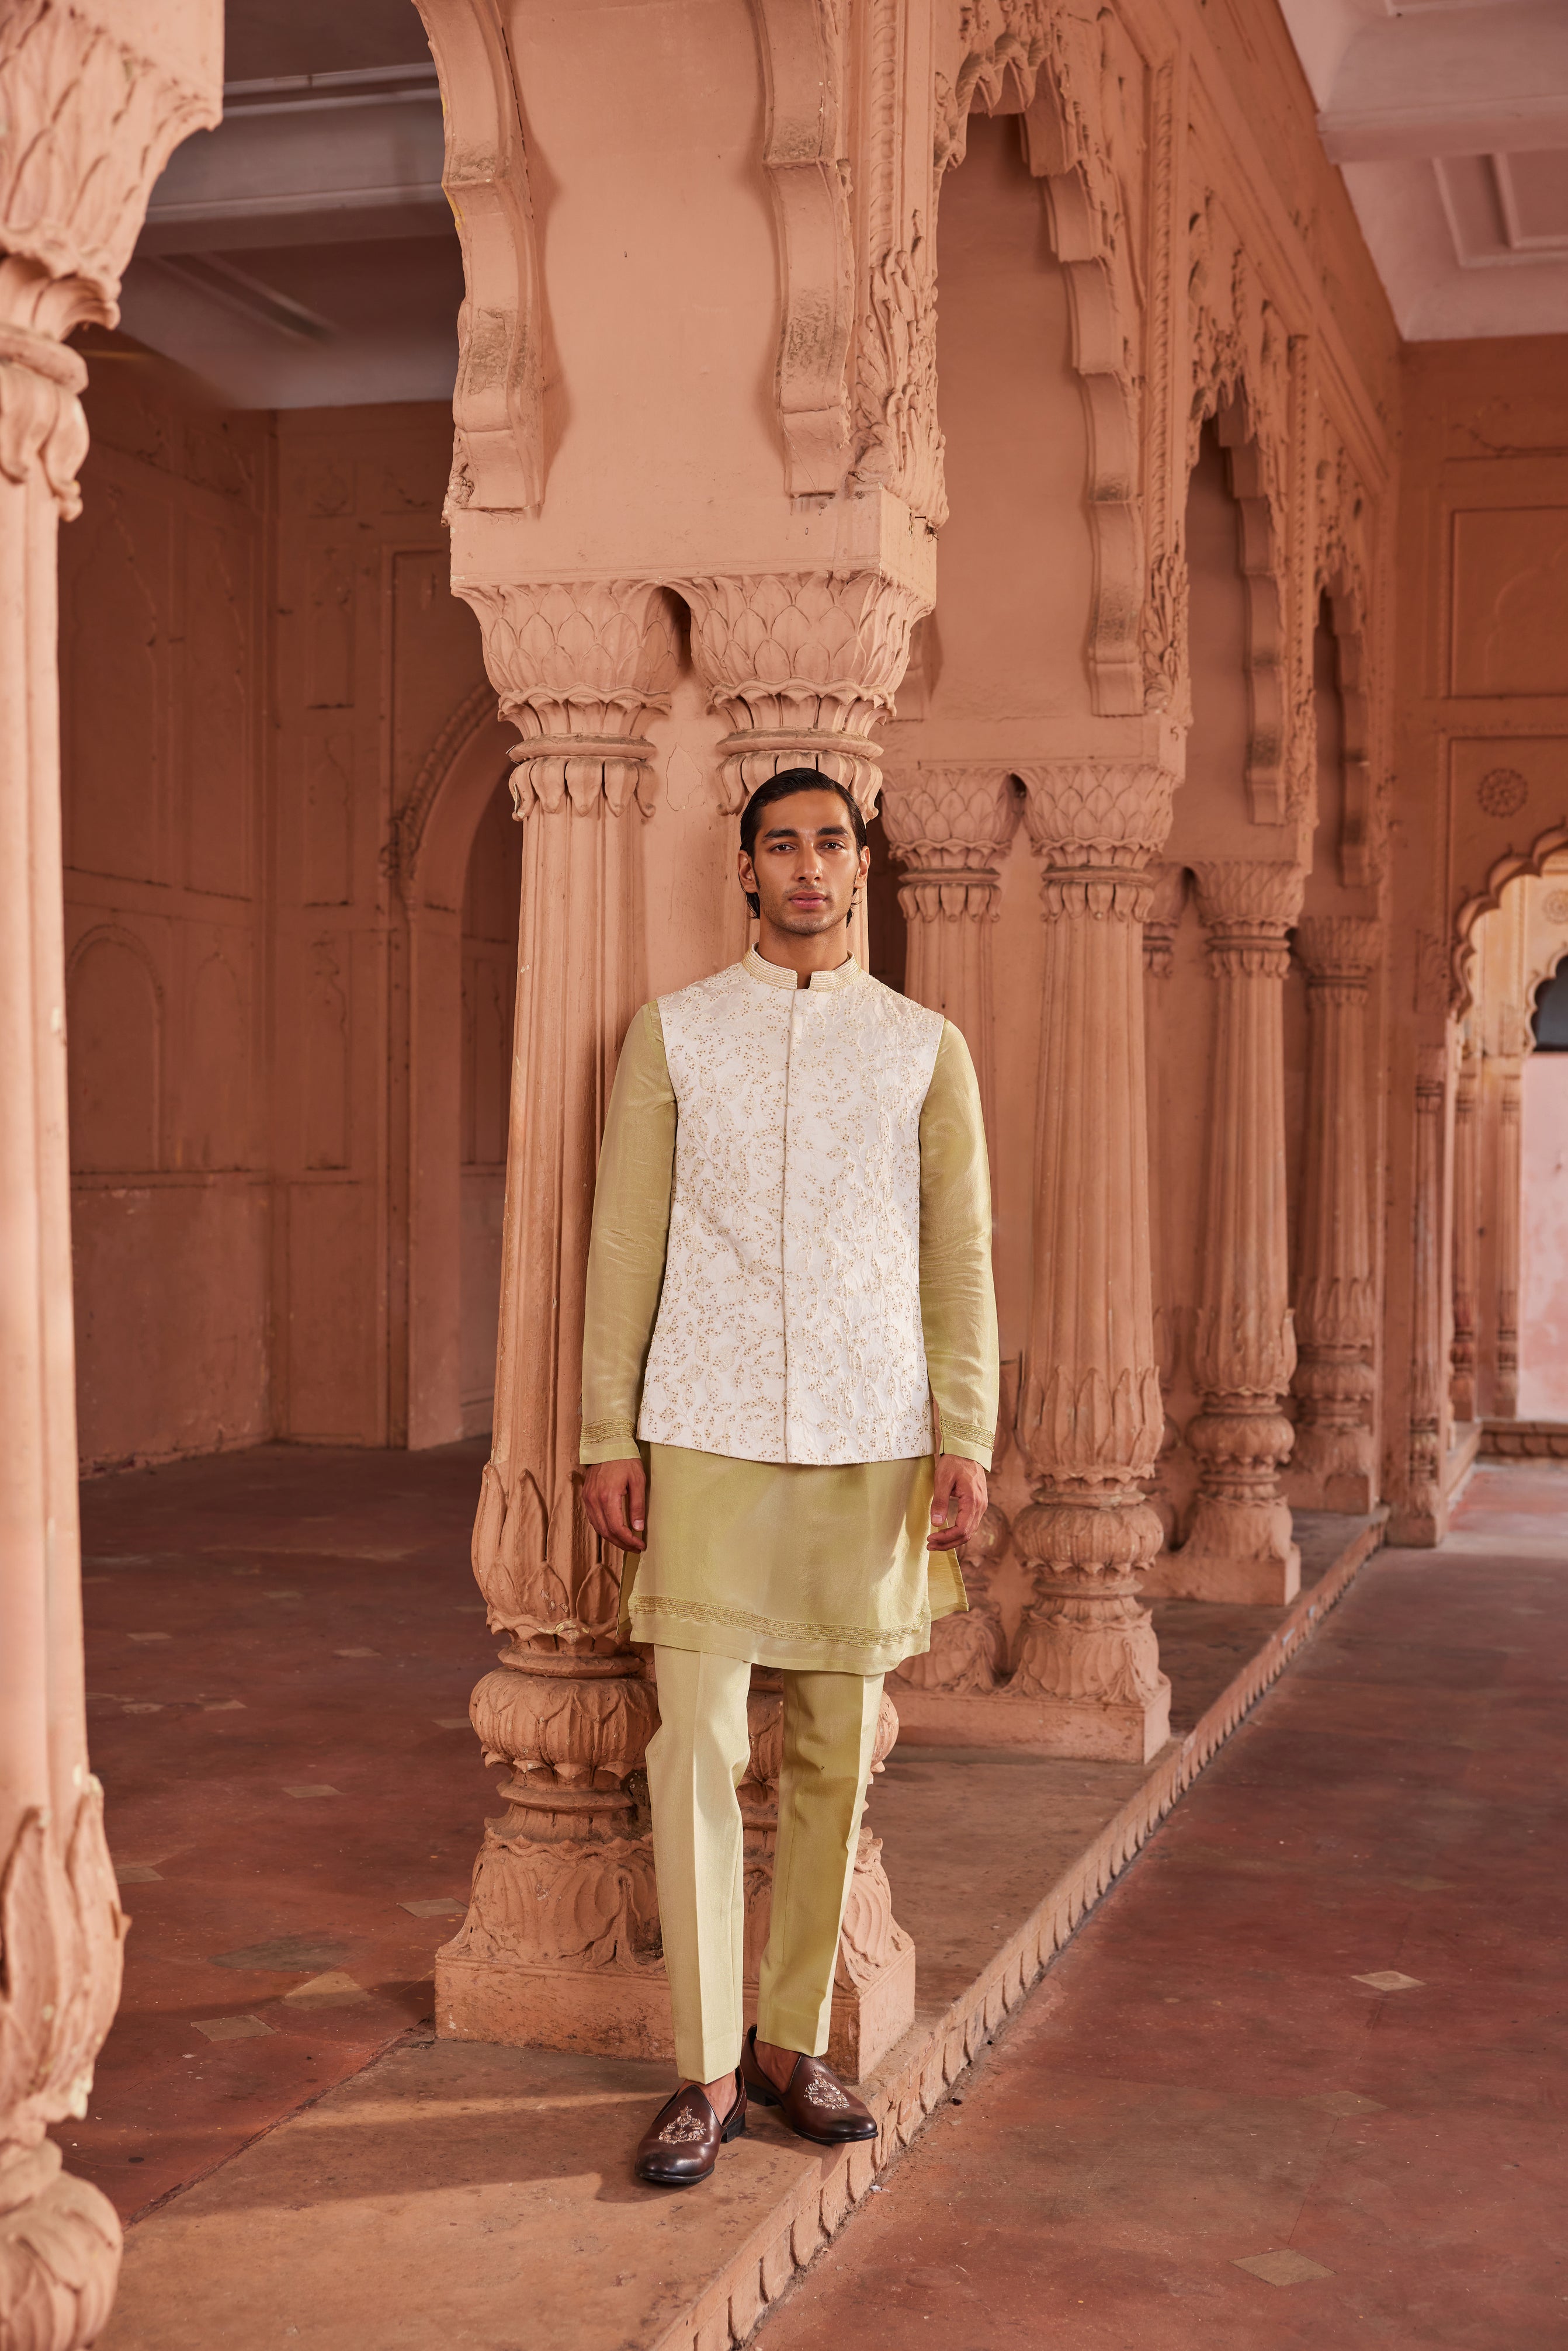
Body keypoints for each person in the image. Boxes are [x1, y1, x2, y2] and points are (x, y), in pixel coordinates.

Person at [581, 767, 998, 2188]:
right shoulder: (678, 1036)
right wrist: (601, 1431)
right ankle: (703, 2068)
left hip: (869, 1430)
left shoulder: (921, 1048)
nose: (807, 867)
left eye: (830, 842)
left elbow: (957, 1255)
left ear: (861, 864)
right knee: (690, 1743)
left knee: (833, 1750)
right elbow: (624, 1241)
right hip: (699, 1425)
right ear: (746, 871)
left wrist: (966, 1432)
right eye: (781, 845)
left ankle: (784, 2039)